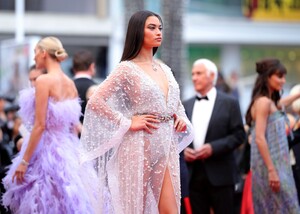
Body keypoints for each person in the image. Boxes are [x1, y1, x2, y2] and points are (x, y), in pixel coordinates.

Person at [79, 10, 194, 214]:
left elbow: (175, 103)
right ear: (137, 32)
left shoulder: (164, 69)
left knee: (171, 210)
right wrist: (127, 122)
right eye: (152, 27)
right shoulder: (126, 68)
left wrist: (181, 117)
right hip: (138, 145)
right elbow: (95, 101)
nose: (158, 32)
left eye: (160, 28)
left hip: (166, 146)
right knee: (134, 210)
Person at [1, 36, 96, 213]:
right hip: (68, 151)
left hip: (45, 150)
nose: (34, 57)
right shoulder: (70, 84)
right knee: (65, 202)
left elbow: (39, 126)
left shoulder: (43, 81)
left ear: (44, 53)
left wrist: (24, 161)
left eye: (36, 52)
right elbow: (74, 126)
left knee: (42, 202)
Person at [183, 58, 245, 214]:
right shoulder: (185, 105)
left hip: (221, 174)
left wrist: (213, 148)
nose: (194, 77)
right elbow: (177, 137)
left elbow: (239, 135)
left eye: (199, 73)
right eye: (193, 74)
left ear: (212, 76)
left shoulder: (230, 103)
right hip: (193, 174)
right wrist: (182, 151)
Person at [245, 58, 300, 213]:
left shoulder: (268, 102)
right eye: (279, 76)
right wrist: (271, 170)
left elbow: (282, 103)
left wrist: (297, 95)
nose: (283, 81)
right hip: (271, 166)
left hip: (277, 165)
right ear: (267, 77)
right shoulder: (263, 102)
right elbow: (259, 138)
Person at [72, 50, 96, 123]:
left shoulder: (67, 86)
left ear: (73, 68)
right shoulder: (97, 88)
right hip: (88, 133)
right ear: (92, 66)